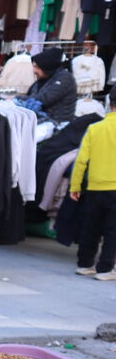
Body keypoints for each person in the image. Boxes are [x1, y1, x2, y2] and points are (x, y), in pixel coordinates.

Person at [71, 103, 116, 280]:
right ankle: (105, 269)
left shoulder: (94, 128)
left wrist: (75, 186)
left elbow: (81, 159)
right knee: (113, 231)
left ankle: (84, 264)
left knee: (91, 227)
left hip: (94, 186)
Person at [26, 47, 78, 124]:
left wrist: (17, 98)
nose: (34, 71)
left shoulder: (65, 77)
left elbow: (45, 99)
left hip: (58, 123)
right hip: (43, 120)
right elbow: (31, 95)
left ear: (46, 66)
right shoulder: (44, 79)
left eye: (36, 67)